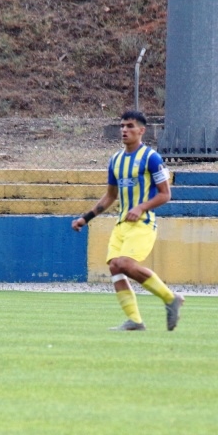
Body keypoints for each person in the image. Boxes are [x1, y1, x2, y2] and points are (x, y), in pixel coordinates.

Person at [72, 110, 184, 331]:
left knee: (124, 263)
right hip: (121, 224)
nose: (124, 130)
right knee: (115, 267)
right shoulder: (115, 160)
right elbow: (110, 196)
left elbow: (165, 194)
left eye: (130, 126)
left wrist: (141, 207)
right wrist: (86, 218)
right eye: (122, 126)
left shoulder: (151, 158)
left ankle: (170, 298)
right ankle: (135, 320)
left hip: (143, 223)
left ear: (141, 131)